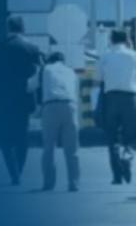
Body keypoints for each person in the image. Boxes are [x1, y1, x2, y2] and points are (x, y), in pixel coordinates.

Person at [0, 15, 43, 185]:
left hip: (3, 99)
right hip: (24, 98)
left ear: (8, 28)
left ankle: (13, 171)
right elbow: (39, 73)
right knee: (22, 136)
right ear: (23, 28)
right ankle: (19, 171)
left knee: (5, 137)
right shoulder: (32, 48)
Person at [95, 29, 136, 185]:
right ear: (127, 40)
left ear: (111, 40)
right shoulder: (134, 55)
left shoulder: (105, 56)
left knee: (112, 139)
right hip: (130, 99)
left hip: (110, 99)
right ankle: (127, 158)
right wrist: (131, 49)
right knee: (132, 136)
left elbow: (98, 78)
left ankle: (117, 176)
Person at [34, 51, 80, 192]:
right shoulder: (71, 71)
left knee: (49, 148)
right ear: (63, 61)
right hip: (70, 106)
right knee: (72, 149)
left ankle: (49, 184)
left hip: (51, 107)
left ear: (50, 60)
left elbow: (31, 85)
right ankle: (74, 183)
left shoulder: (45, 69)